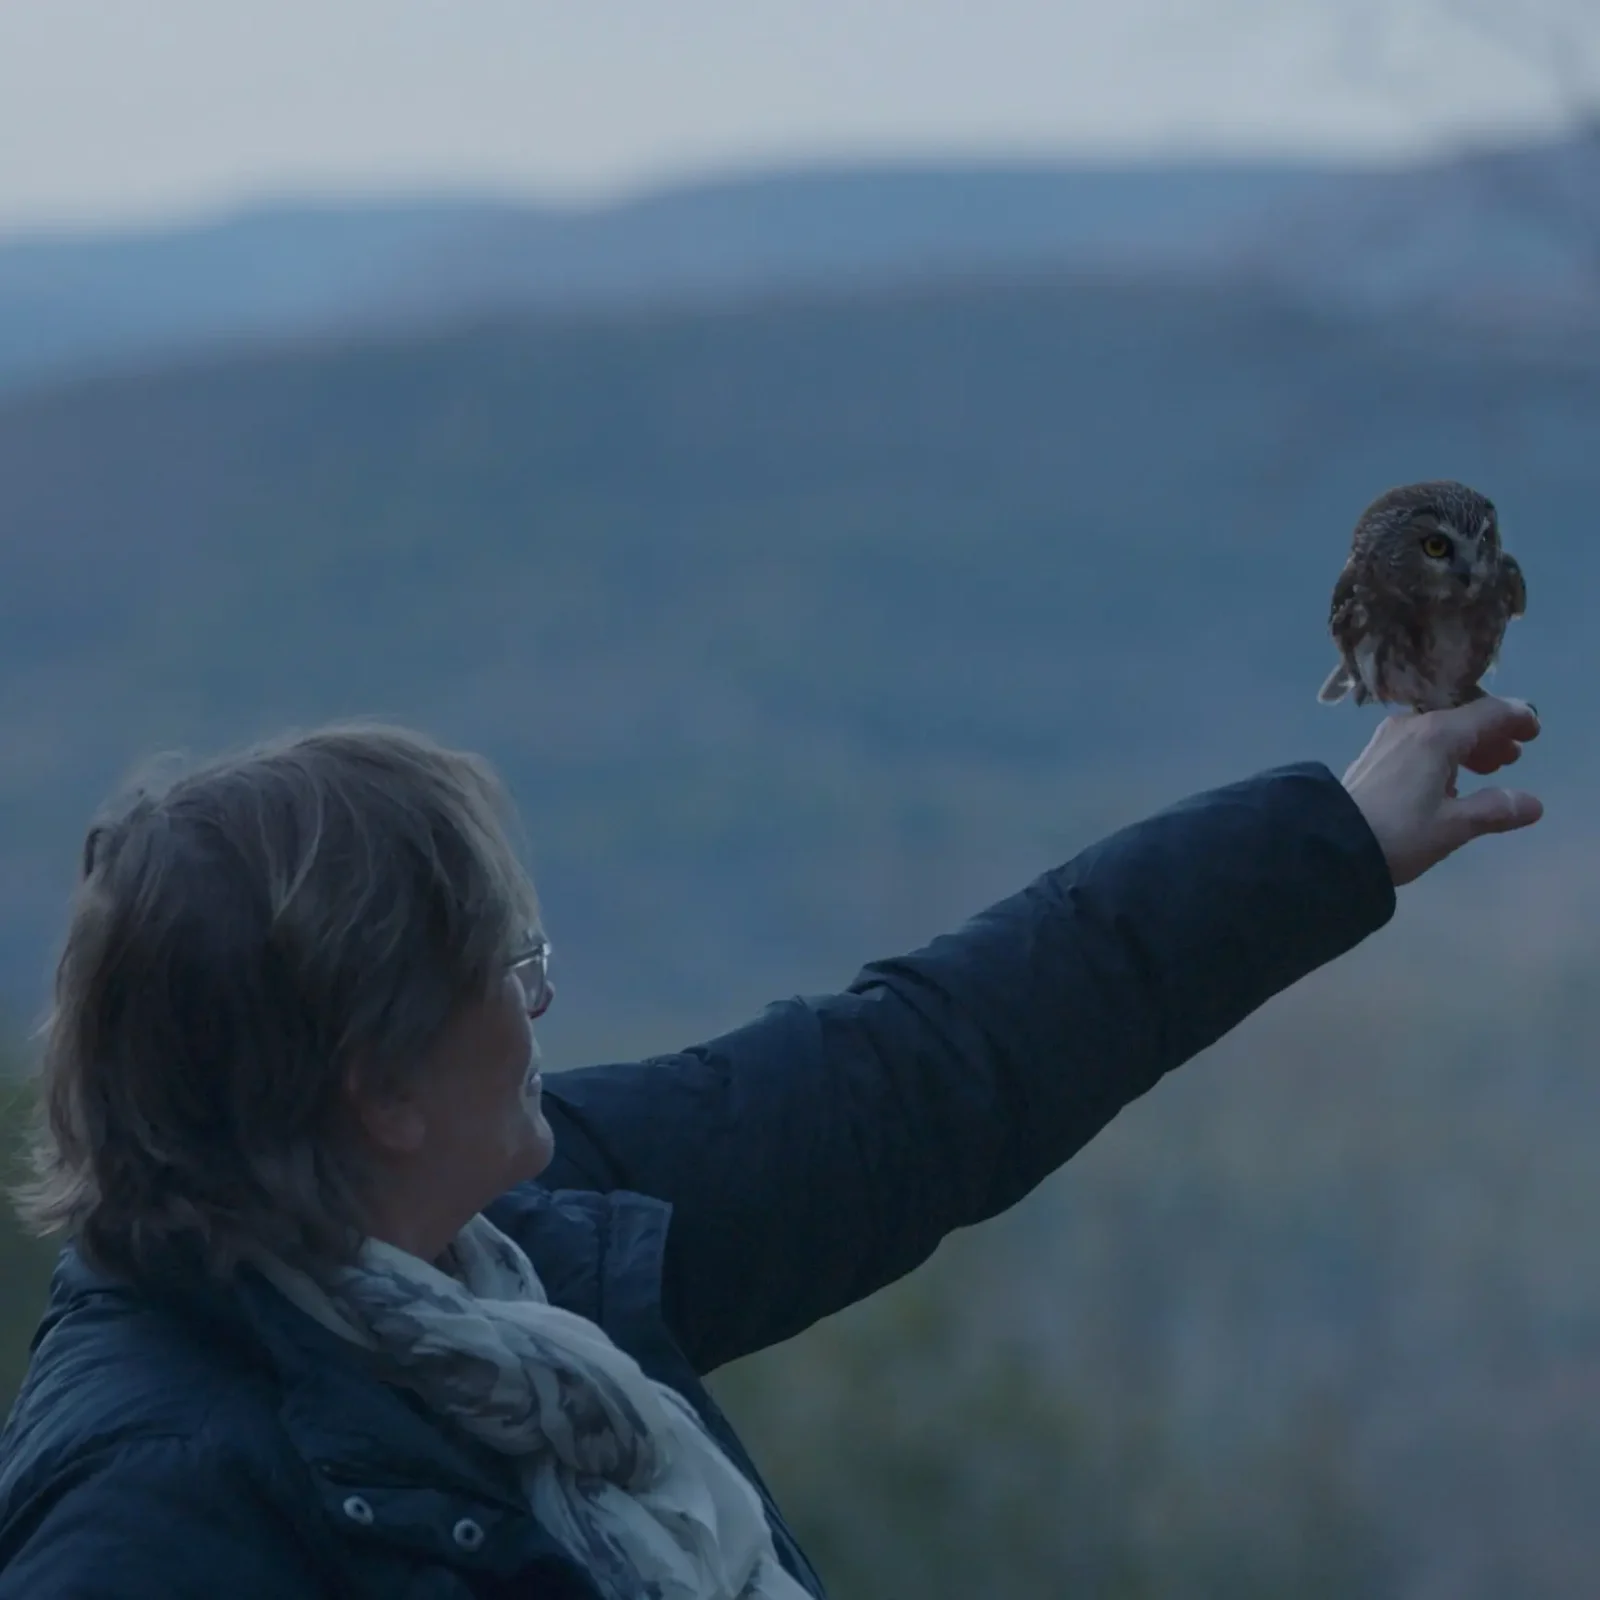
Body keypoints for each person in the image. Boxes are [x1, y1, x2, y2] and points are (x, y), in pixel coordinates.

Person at [0, 695, 1541, 1600]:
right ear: (380, 1090)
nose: (542, 1008)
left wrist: (1334, 837)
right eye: (511, 970)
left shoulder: (511, 1246)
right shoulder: (146, 1514)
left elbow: (926, 1073)